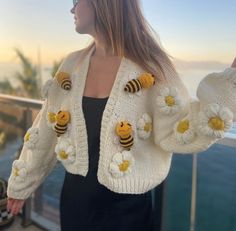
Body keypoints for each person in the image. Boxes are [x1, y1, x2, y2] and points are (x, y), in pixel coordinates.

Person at [6, 0, 236, 230]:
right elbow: (46, 130)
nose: (71, 9)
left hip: (128, 214)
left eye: (76, 1)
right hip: (75, 205)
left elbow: (180, 129)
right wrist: (21, 185)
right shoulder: (72, 65)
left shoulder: (152, 67)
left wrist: (229, 86)